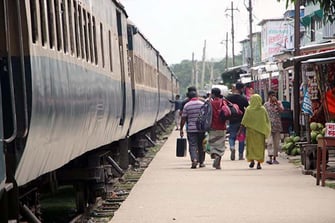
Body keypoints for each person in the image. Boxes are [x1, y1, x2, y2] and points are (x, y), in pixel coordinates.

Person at [240, 94, 271, 170]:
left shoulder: (249, 109)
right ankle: (259, 163)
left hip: (250, 132)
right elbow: (267, 120)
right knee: (260, 148)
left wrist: (240, 131)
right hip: (260, 132)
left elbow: (244, 121)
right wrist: (267, 129)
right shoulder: (262, 109)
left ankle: (252, 160)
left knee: (251, 147)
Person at [180, 91, 206, 169]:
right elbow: (206, 116)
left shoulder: (187, 105)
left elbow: (183, 118)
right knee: (201, 145)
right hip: (201, 129)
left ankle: (194, 159)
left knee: (193, 145)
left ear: (189, 98)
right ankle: (201, 162)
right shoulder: (202, 104)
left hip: (191, 129)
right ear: (197, 96)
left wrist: (181, 128)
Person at [226, 82, 249, 160]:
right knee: (241, 137)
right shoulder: (244, 98)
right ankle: (240, 155)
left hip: (232, 119)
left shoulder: (228, 98)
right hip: (242, 120)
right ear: (242, 89)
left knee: (232, 136)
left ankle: (232, 147)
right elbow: (248, 108)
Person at [208, 88, 227, 169]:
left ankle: (215, 156)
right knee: (221, 145)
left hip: (213, 126)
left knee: (213, 144)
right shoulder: (223, 102)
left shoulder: (211, 103)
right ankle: (218, 163)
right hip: (222, 126)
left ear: (213, 94)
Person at [264, 91, 284, 164]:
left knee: (276, 142)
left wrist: (277, 104)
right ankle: (270, 157)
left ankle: (275, 158)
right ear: (269, 96)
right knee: (269, 142)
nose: (273, 97)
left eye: (274, 95)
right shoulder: (266, 105)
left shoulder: (279, 103)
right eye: (272, 95)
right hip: (268, 126)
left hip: (277, 125)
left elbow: (281, 110)